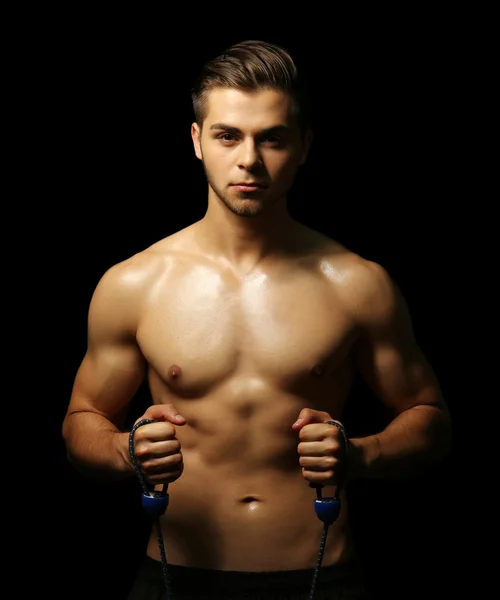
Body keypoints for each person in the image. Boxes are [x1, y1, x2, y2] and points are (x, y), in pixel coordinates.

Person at [62, 39, 452, 600]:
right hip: (175, 574)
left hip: (322, 574)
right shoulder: (134, 284)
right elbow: (81, 419)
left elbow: (431, 420)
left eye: (272, 138)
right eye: (228, 136)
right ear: (197, 141)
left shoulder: (357, 283)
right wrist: (125, 449)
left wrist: (362, 454)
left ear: (304, 147)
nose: (250, 159)